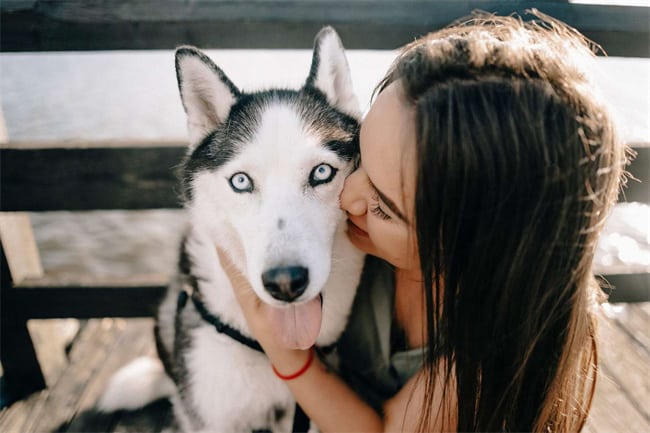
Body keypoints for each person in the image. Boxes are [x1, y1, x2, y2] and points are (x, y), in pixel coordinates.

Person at [217, 11, 629, 432]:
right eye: (358, 159)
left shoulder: (483, 355)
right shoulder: (362, 234)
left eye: (382, 206)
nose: (348, 196)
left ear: (466, 248)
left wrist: (287, 357)